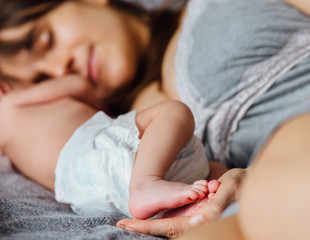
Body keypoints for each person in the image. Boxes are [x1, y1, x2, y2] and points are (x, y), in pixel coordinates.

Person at [1, 0, 310, 238]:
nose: (58, 68)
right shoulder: (132, 131)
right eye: (43, 81)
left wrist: (287, 141)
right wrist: (240, 177)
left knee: (284, 190)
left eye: (45, 41)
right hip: (273, 176)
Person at [0, 79, 226, 220]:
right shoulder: (9, 102)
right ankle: (147, 182)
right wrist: (96, 105)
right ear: (3, 87)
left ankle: (180, 210)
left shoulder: (9, 155)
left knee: (211, 171)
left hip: (86, 195)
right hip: (96, 147)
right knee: (174, 112)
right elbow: (78, 85)